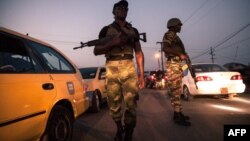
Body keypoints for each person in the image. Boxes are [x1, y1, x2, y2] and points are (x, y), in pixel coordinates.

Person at [93, 0, 145, 140]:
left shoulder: (133, 31)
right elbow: (96, 50)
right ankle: (119, 128)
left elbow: (139, 53)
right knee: (113, 104)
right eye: (120, 8)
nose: (123, 10)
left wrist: (141, 75)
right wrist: (112, 43)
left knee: (131, 103)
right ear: (114, 12)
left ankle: (128, 133)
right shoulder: (105, 30)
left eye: (125, 8)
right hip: (111, 67)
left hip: (129, 66)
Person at [162, 18, 191, 126]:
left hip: (178, 64)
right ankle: (177, 115)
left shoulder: (175, 36)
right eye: (179, 25)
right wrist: (180, 55)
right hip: (173, 64)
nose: (180, 27)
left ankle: (178, 113)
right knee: (175, 90)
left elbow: (179, 51)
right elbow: (165, 48)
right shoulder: (169, 34)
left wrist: (184, 58)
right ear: (173, 26)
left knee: (178, 90)